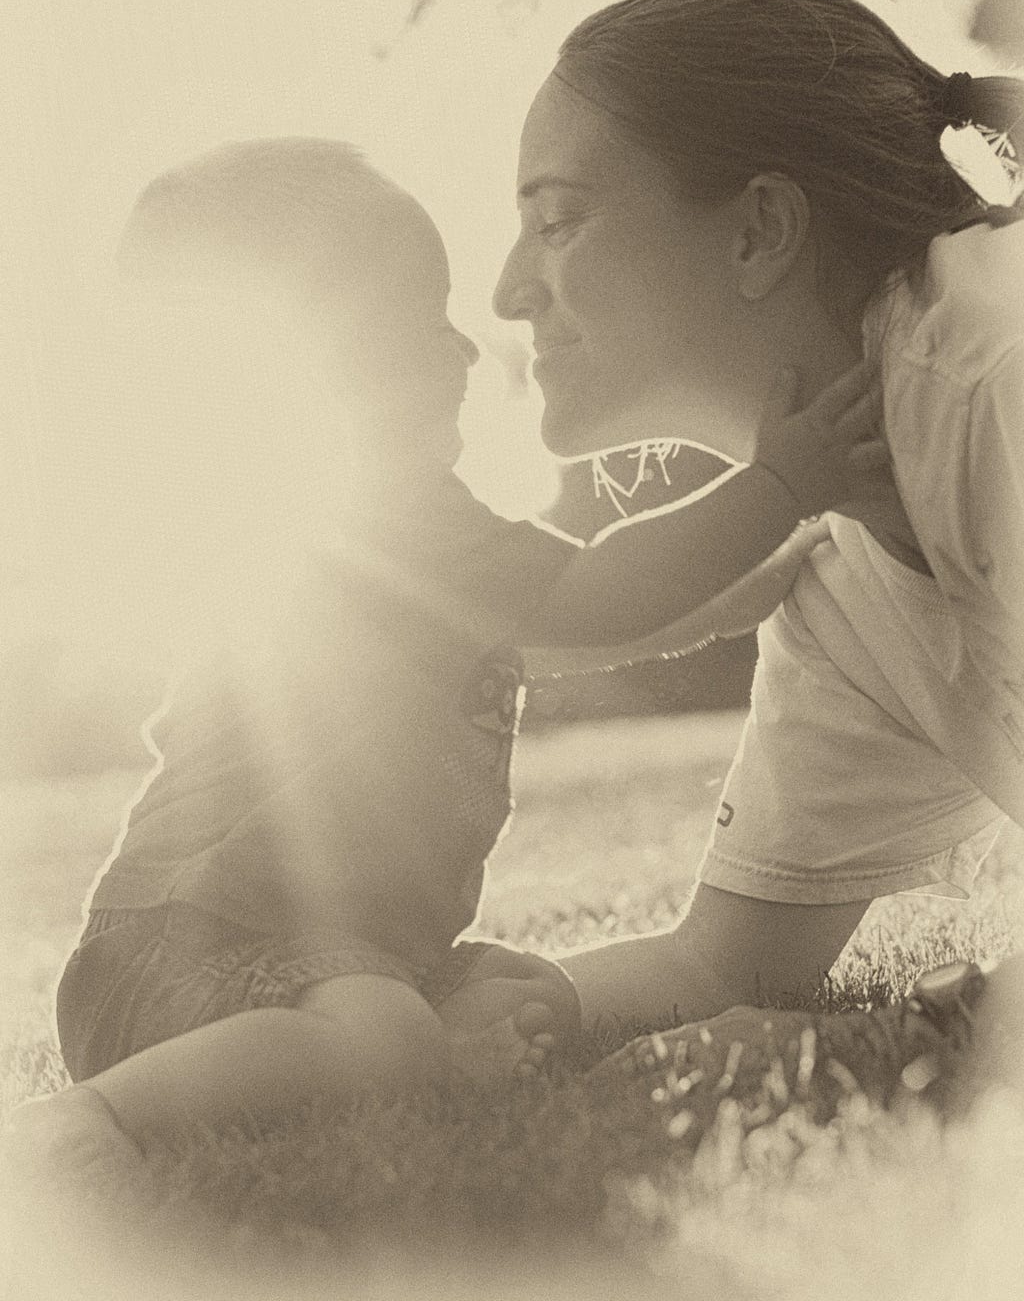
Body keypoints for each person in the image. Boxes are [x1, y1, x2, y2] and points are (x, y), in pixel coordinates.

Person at [2, 137, 884, 1195]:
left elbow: (606, 623)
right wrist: (780, 483)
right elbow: (616, 592)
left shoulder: (424, 550)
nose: (468, 354)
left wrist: (784, 565)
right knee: (384, 1034)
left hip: (311, 954)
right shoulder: (393, 527)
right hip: (190, 949)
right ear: (331, 362)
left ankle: (419, 1048)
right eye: (427, 326)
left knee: (526, 992)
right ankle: (83, 1118)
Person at [483, 0, 1024, 1048]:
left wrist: (929, 1031)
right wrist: (494, 1015)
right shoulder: (842, 583)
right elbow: (727, 963)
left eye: (559, 220)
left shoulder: (996, 375)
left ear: (757, 229)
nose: (506, 290)